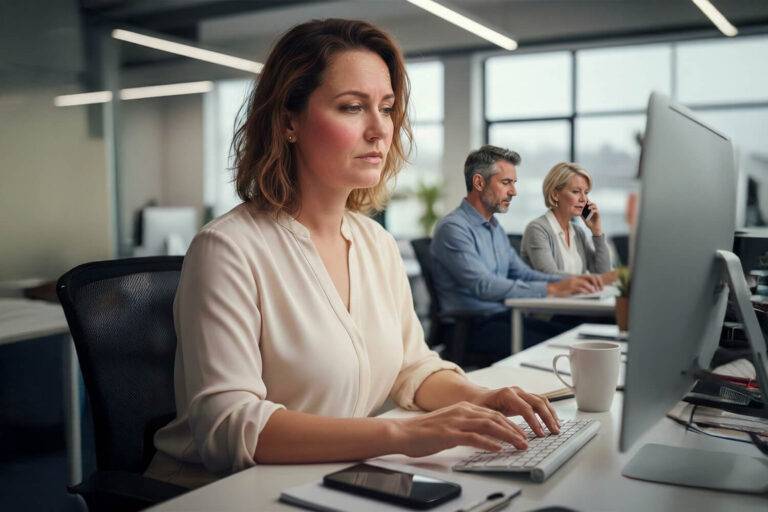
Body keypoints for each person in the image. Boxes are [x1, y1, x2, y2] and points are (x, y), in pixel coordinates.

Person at [144, 19, 560, 489]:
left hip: (331, 480)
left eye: (386, 108)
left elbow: (412, 368)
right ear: (288, 122)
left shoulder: (376, 244)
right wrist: (400, 434)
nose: (380, 130)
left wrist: (482, 398)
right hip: (222, 493)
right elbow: (229, 426)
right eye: (351, 108)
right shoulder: (228, 249)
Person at [430, 145, 602, 359]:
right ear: (479, 182)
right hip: (472, 328)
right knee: (569, 345)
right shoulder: (453, 228)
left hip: (502, 318)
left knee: (580, 332)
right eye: (506, 183)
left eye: (514, 183)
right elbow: (483, 286)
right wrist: (553, 288)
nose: (513, 191)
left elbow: (523, 273)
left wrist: (571, 282)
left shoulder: (494, 227)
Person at [521, 162, 616, 283]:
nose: (583, 199)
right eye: (576, 191)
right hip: (548, 301)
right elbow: (550, 276)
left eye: (586, 193)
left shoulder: (578, 232)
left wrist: (596, 232)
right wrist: (592, 279)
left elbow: (603, 273)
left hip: (577, 300)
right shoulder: (537, 229)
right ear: (555, 194)